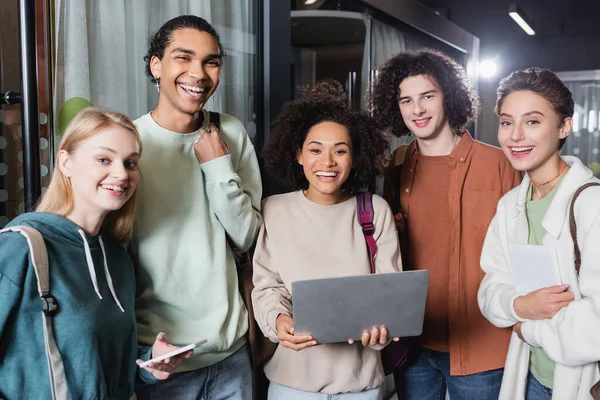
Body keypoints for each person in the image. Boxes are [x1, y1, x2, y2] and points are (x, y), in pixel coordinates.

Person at [0, 108, 188, 399]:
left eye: (131, 163)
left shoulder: (118, 260)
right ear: (66, 162)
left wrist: (150, 363)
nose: (121, 173)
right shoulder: (22, 247)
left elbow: (97, 363)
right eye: (104, 159)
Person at [368, 48, 522, 399]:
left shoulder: (500, 164)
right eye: (406, 100)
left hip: (482, 341)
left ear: (448, 97)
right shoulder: (398, 164)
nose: (417, 109)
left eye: (427, 96)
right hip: (415, 342)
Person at [132, 15, 262, 399]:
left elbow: (249, 235)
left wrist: (218, 167)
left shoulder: (230, 132)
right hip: (162, 360)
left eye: (211, 61)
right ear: (156, 65)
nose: (199, 73)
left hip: (231, 353)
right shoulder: (131, 142)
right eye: (183, 58)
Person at [252, 80, 402, 400]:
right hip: (291, 382)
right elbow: (268, 284)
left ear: (355, 159)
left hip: (360, 384)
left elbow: (390, 292)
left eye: (340, 151)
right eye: (316, 149)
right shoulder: (274, 209)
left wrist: (380, 330)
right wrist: (277, 320)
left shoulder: (374, 210)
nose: (328, 162)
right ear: (299, 155)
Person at [478, 67, 600, 400]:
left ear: (564, 126)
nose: (515, 136)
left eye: (532, 122)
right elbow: (490, 289)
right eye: (506, 122)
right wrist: (520, 303)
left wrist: (525, 325)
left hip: (583, 385)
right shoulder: (510, 205)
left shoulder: (592, 204)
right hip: (530, 376)